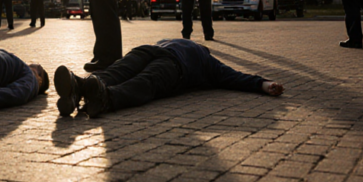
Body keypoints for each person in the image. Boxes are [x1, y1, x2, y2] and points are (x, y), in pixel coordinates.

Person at [53, 38, 283, 118]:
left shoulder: (209, 62)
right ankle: (80, 87)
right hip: (154, 53)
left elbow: (235, 78)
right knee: (122, 71)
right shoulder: (191, 49)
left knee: (142, 80)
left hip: (172, 65)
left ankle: (101, 95)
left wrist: (263, 84)